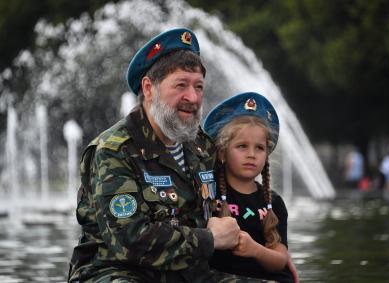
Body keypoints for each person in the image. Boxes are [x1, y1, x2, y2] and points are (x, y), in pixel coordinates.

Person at [68, 28, 271, 283]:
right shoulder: (114, 150)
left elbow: (232, 207)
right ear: (149, 88)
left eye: (199, 86)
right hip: (118, 272)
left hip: (190, 273)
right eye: (181, 85)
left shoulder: (203, 147)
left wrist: (273, 253)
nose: (193, 97)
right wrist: (210, 239)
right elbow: (129, 241)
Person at [203, 92, 299, 283]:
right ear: (222, 152)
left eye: (259, 148)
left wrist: (256, 250)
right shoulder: (208, 194)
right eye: (242, 146)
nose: (252, 154)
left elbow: (280, 260)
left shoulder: (274, 202)